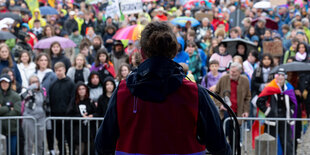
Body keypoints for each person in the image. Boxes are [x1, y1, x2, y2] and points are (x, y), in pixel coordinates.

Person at [95, 21, 231, 155]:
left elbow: (103, 145)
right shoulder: (195, 93)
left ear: (142, 53)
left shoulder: (122, 92)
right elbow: (219, 146)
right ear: (173, 52)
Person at [256, 68, 296, 155]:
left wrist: (291, 111)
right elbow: (259, 101)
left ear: (285, 77)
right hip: (272, 120)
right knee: (270, 143)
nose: (280, 77)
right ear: (275, 77)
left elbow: (293, 103)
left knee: (287, 144)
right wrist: (268, 112)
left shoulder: (289, 88)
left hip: (285, 119)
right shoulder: (270, 87)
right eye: (279, 75)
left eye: (282, 75)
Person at [214, 62, 251, 149]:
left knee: (235, 140)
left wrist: (246, 111)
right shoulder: (223, 79)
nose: (232, 73)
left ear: (240, 72)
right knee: (222, 137)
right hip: (225, 113)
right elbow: (215, 93)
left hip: (238, 113)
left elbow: (247, 97)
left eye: (234, 72)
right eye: (231, 71)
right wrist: (220, 105)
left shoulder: (245, 80)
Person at [49, 62, 75, 155]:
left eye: (60, 70)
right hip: (56, 116)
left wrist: (68, 111)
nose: (58, 73)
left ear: (64, 70)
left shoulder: (71, 83)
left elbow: (72, 99)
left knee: (69, 138)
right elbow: (51, 99)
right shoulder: (53, 84)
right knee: (59, 139)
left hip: (67, 117)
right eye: (56, 71)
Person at [66, 82, 96, 155]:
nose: (81, 91)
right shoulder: (73, 102)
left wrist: (92, 115)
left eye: (83, 89)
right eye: (79, 89)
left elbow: (97, 112)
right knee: (80, 151)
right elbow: (69, 115)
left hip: (89, 132)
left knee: (90, 151)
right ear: (77, 91)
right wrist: (81, 117)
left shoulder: (90, 101)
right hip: (78, 132)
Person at [21, 75, 47, 155]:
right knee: (29, 143)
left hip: (41, 118)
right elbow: (21, 98)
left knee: (40, 143)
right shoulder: (28, 91)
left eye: (37, 81)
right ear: (30, 83)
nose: (35, 83)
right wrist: (29, 89)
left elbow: (46, 104)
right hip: (29, 118)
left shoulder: (43, 91)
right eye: (33, 82)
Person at [0, 74, 21, 155]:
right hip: (0, 130)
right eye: (2, 82)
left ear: (9, 84)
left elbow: (17, 111)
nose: (4, 84)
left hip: (12, 129)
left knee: (12, 151)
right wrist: (8, 107)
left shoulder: (15, 96)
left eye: (6, 82)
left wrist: (2, 110)